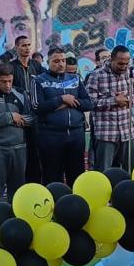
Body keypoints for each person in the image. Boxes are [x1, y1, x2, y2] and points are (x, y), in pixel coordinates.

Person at [34, 48, 93, 186]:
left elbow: (88, 104)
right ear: (47, 62)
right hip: (51, 136)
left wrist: (69, 102)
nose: (60, 64)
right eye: (56, 61)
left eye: (63, 60)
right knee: (53, 177)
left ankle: (76, 200)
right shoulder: (39, 80)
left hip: (76, 135)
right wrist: (61, 99)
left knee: (77, 177)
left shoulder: (75, 79)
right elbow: (37, 107)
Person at [0, 64, 33, 204]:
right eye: (3, 81)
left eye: (10, 81)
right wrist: (11, 117)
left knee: (17, 192)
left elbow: (31, 118)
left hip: (19, 147)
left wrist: (8, 119)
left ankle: (16, 216)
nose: (7, 85)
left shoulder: (20, 93)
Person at [87, 44, 134, 172]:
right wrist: (114, 101)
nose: (124, 67)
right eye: (120, 63)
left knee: (131, 169)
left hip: (127, 131)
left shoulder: (132, 73)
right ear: (111, 59)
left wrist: (126, 99)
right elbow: (90, 102)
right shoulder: (96, 75)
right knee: (105, 171)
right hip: (106, 133)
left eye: (127, 63)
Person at [4, 34, 43, 182]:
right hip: (18, 115)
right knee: (20, 150)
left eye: (28, 45)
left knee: (35, 150)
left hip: (35, 115)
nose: (27, 48)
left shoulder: (36, 66)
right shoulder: (11, 67)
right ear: (16, 48)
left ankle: (36, 183)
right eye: (23, 45)